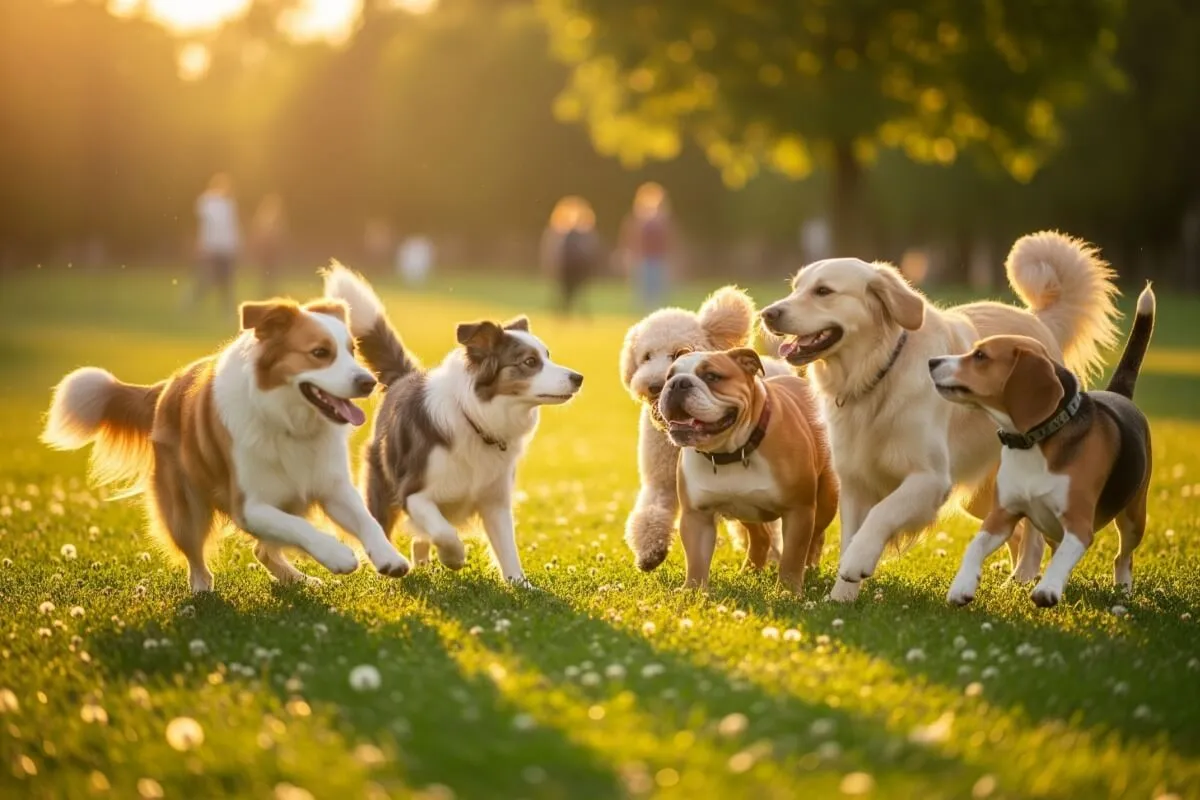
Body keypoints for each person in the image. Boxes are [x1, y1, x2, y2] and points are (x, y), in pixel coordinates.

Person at [619, 182, 675, 312]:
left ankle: (655, 310)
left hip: (658, 259)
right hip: (642, 259)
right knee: (642, 289)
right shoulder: (637, 220)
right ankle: (644, 311)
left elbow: (669, 241)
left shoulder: (663, 221)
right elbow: (630, 239)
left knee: (658, 289)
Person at [542, 196, 599, 317]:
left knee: (576, 294)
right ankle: (563, 314)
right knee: (566, 294)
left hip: (576, 269)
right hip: (566, 269)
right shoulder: (562, 233)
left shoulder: (581, 233)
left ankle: (569, 314)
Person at [192, 173, 240, 309]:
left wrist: (236, 244)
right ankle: (191, 304)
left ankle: (227, 309)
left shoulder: (229, 203)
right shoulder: (206, 202)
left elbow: (232, 226)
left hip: (227, 248)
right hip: (212, 248)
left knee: (227, 282)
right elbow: (204, 227)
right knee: (206, 279)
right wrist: (201, 245)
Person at [250, 192, 287, 296]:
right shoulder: (264, 215)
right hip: (265, 247)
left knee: (272, 269)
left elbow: (281, 233)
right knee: (265, 269)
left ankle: (269, 288)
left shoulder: (277, 217)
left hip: (273, 248)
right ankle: (265, 288)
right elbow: (258, 231)